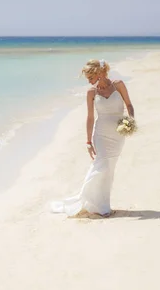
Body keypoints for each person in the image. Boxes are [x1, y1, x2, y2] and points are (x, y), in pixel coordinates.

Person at [51, 58, 134, 217]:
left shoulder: (118, 85)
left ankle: (102, 204)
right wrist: (88, 142)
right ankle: (95, 204)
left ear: (101, 73)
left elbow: (129, 105)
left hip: (118, 133)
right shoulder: (91, 93)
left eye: (90, 77)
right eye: (87, 78)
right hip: (101, 134)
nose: (89, 81)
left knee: (110, 169)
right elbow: (90, 118)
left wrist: (130, 120)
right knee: (101, 165)